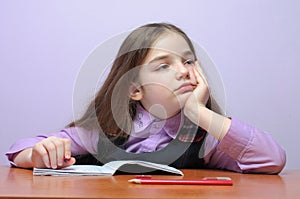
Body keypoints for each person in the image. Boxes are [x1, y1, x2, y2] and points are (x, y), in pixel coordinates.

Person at [6, 22, 286, 174]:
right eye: (164, 65)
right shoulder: (104, 132)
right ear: (134, 89)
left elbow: (272, 160)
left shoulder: (207, 139)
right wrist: (38, 154)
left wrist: (200, 113)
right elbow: (21, 151)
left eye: (188, 61)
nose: (182, 71)